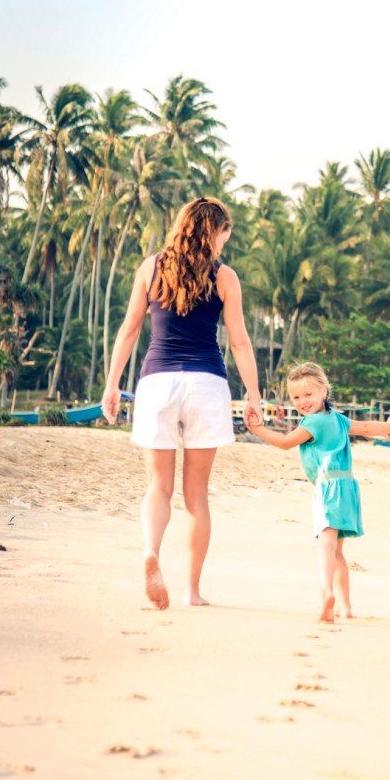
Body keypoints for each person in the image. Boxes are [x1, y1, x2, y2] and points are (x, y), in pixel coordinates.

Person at [102, 197, 262, 609]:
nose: (226, 241)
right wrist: (254, 395)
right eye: (226, 233)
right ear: (217, 231)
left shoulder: (151, 266)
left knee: (158, 486)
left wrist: (112, 384)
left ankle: (151, 552)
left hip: (156, 381)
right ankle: (191, 591)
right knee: (196, 496)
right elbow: (240, 342)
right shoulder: (224, 276)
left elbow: (130, 328)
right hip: (206, 384)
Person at [246, 362, 390, 623]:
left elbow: (286, 442)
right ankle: (345, 606)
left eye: (308, 394)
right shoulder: (338, 419)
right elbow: (367, 429)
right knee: (337, 551)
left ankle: (326, 595)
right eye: (296, 397)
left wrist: (257, 429)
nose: (302, 401)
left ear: (324, 390)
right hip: (348, 487)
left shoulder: (313, 422)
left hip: (328, 487)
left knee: (326, 545)